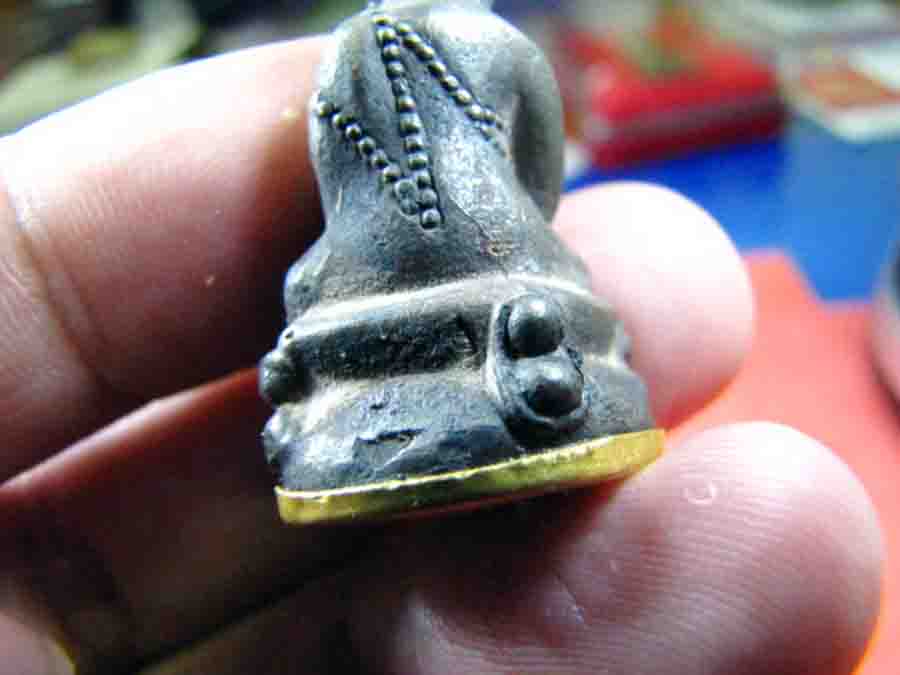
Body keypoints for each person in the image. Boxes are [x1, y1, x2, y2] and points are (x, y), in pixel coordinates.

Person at [0, 35, 882, 675]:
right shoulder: (489, 44)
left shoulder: (344, 59)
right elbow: (540, 167)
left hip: (359, 307)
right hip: (504, 280)